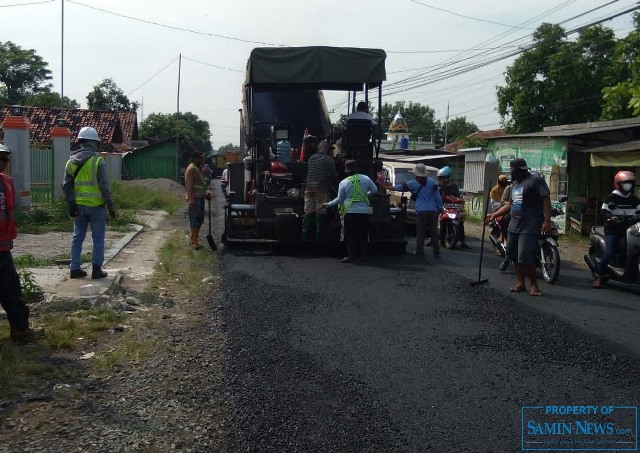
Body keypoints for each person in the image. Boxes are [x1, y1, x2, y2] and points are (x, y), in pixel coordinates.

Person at [486, 158, 551, 297]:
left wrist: (547, 220)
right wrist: (494, 214)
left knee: (525, 256)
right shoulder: (515, 185)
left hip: (530, 224)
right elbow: (509, 204)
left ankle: (534, 285)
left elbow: (546, 198)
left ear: (520, 169)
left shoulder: (535, 181)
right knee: (513, 255)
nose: (510, 172)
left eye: (512, 169)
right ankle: (520, 282)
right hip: (514, 225)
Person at [0, 144, 44, 343]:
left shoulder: (6, 182)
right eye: (1, 159)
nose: (3, 163)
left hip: (2, 248)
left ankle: (20, 330)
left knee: (11, 290)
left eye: (5, 159)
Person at [63, 126, 116, 280]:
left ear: (80, 142)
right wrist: (110, 206)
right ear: (93, 143)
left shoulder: (70, 162)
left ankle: (74, 269)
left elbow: (67, 186)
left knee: (77, 237)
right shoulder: (98, 161)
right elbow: (104, 186)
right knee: (98, 238)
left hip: (78, 208)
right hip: (96, 207)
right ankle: (96, 269)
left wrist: (71, 205)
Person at [321, 160, 378, 263]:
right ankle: (363, 257)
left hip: (350, 213)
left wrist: (328, 204)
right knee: (363, 235)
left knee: (350, 235)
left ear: (347, 171)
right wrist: (365, 195)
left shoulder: (344, 182)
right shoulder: (366, 179)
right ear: (357, 169)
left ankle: (351, 256)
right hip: (364, 212)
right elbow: (375, 191)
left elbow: (340, 199)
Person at [382, 163, 442, 258]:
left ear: (417, 174)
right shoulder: (431, 182)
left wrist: (385, 186)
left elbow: (398, 188)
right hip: (432, 210)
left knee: (420, 232)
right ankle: (436, 250)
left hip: (421, 211)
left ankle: (419, 250)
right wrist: (440, 207)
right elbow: (437, 197)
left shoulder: (412, 183)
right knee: (433, 232)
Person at [592, 171, 640, 289]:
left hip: (630, 230)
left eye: (630, 183)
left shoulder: (634, 199)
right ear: (618, 184)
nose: (628, 185)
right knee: (610, 252)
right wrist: (611, 217)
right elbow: (604, 211)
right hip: (613, 229)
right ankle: (599, 277)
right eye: (625, 183)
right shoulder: (611, 197)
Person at [303, 140, 337, 240]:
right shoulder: (329, 159)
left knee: (307, 211)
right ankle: (318, 236)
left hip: (308, 188)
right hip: (321, 189)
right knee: (320, 211)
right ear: (327, 149)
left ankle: (303, 235)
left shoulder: (312, 158)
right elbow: (333, 175)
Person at [437, 166, 471, 249]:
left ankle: (463, 241)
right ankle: (434, 238)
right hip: (442, 207)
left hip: (453, 208)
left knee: (461, 222)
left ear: (448, 177)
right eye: (440, 178)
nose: (442, 180)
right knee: (435, 219)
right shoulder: (439, 186)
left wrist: (460, 198)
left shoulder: (454, 186)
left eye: (443, 178)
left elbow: (458, 196)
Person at [184, 151, 211, 250]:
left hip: (200, 197)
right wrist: (191, 200)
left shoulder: (199, 168)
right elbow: (189, 186)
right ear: (195, 159)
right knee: (195, 220)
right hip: (194, 199)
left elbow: (201, 184)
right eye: (200, 158)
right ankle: (193, 241)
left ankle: (195, 240)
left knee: (199, 219)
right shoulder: (191, 169)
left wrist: (206, 194)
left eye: (202, 158)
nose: (202, 160)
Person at [490, 174, 510, 243]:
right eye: (502, 181)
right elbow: (493, 202)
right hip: (498, 206)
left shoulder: (508, 188)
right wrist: (502, 205)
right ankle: (501, 236)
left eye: (505, 180)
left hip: (507, 207)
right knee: (504, 219)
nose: (504, 182)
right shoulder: (494, 190)